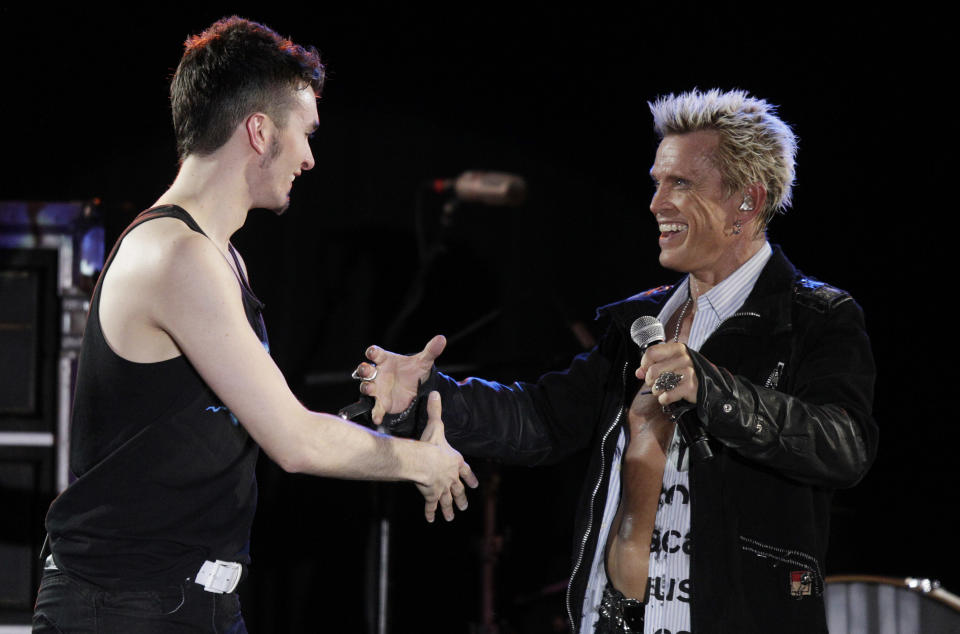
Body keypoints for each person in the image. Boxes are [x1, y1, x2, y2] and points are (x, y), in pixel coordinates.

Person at [356, 88, 877, 633]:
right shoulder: (638, 324)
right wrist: (428, 393)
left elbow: (844, 445)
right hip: (617, 619)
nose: (657, 203)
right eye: (657, 182)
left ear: (745, 202)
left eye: (681, 183)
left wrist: (713, 389)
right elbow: (540, 420)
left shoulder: (815, 316)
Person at [33, 16, 476, 633]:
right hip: (126, 604)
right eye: (306, 133)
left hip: (189, 603)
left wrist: (370, 407)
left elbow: (232, 424)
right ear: (260, 130)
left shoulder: (218, 255)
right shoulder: (177, 256)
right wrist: (419, 462)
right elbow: (292, 442)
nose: (311, 157)